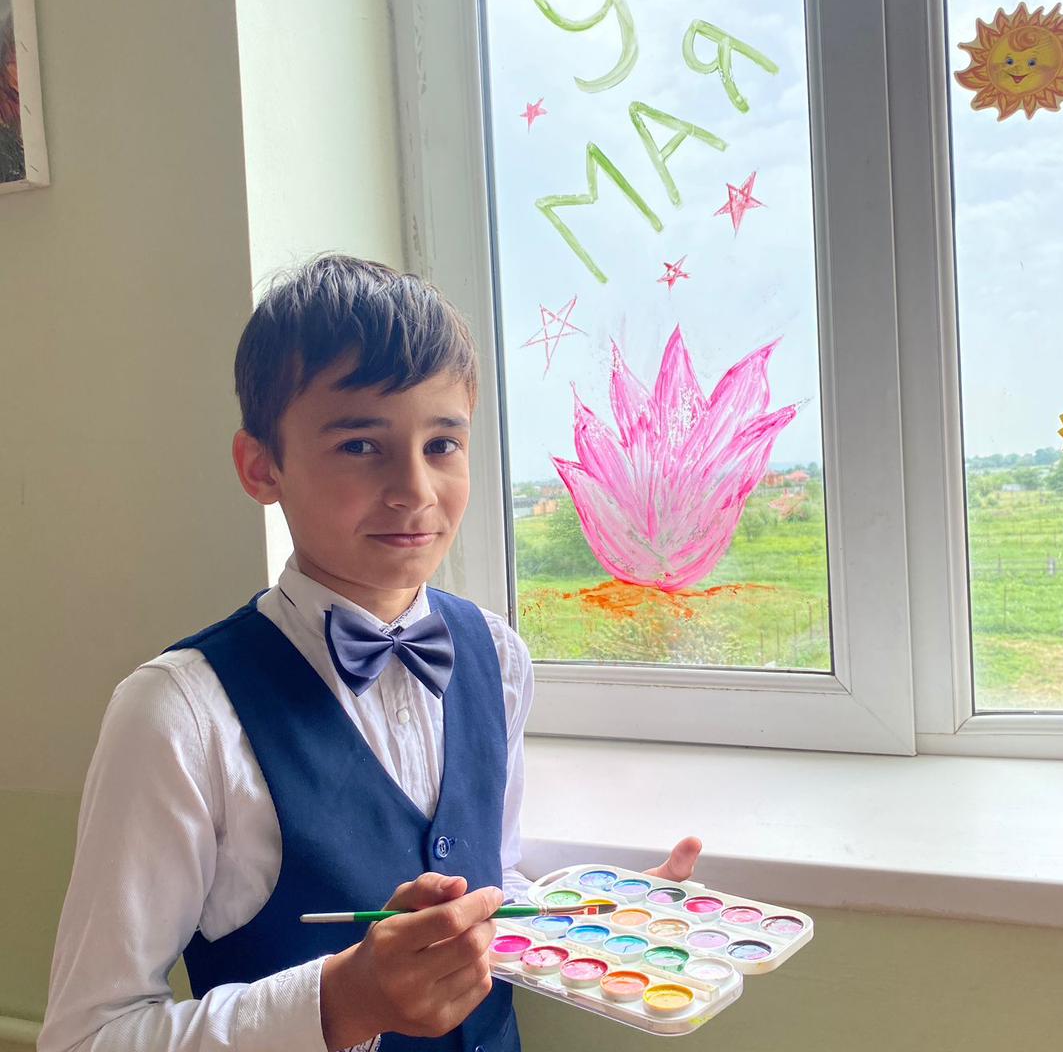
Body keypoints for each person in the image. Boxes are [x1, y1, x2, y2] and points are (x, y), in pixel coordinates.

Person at [39, 254, 702, 1052]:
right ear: (262, 466)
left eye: (443, 444)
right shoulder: (180, 713)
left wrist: (597, 920)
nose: (415, 490)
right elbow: (87, 1036)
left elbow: (493, 886)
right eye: (360, 445)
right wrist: (337, 1003)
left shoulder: (495, 655)